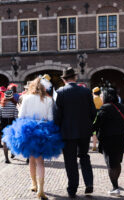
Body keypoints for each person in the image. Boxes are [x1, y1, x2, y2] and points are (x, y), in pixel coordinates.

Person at [2, 77, 64, 200]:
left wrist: (20, 109)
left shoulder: (26, 98)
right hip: (43, 130)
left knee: (31, 159)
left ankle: (34, 184)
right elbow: (51, 118)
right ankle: (41, 189)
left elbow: (21, 116)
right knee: (40, 162)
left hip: (27, 131)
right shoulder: (49, 100)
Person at [54, 67, 96, 198]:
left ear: (63, 79)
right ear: (75, 78)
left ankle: (72, 189)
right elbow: (93, 112)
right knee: (84, 156)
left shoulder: (60, 92)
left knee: (70, 161)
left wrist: (57, 130)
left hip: (67, 133)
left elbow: (57, 115)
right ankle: (89, 183)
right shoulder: (86, 91)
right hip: (84, 131)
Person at [94, 88, 124, 197]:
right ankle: (116, 184)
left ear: (106, 96)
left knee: (111, 164)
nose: (101, 97)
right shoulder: (122, 107)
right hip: (121, 139)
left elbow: (96, 125)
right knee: (117, 162)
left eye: (102, 95)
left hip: (108, 140)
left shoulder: (104, 108)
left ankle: (115, 187)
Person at [0, 90, 18, 163]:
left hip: (3, 123)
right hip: (11, 122)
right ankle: (12, 152)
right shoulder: (14, 104)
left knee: (4, 141)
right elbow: (16, 116)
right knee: (12, 139)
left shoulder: (1, 104)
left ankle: (6, 159)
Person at [92, 86, 103, 151]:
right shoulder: (101, 98)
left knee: (94, 132)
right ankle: (101, 145)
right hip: (101, 114)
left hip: (94, 115)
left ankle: (94, 146)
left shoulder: (92, 98)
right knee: (100, 130)